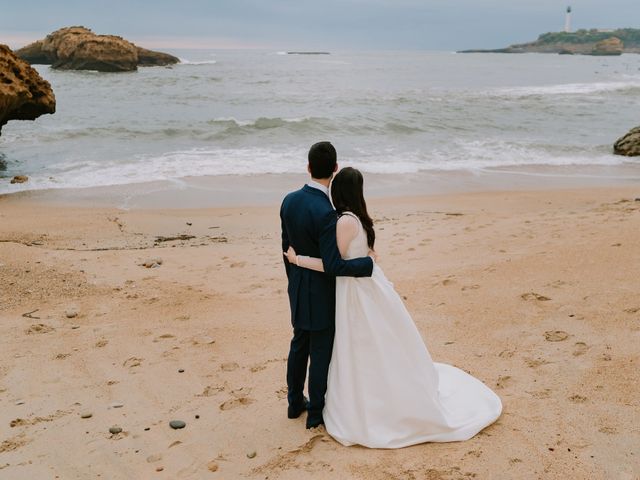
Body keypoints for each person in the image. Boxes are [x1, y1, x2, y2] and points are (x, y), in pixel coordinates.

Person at [284, 166, 502, 448]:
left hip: (354, 292)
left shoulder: (344, 222)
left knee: (360, 343)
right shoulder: (358, 219)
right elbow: (361, 256)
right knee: (374, 343)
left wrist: (298, 259)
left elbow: (332, 266)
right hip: (365, 290)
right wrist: (369, 261)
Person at [280, 142, 374, 429]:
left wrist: (294, 282)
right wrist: (366, 265)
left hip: (297, 288)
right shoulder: (327, 213)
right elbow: (332, 264)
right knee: (319, 352)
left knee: (299, 345)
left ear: (308, 167)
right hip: (322, 293)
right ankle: (317, 413)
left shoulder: (288, 201)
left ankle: (294, 403)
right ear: (334, 169)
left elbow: (286, 249)